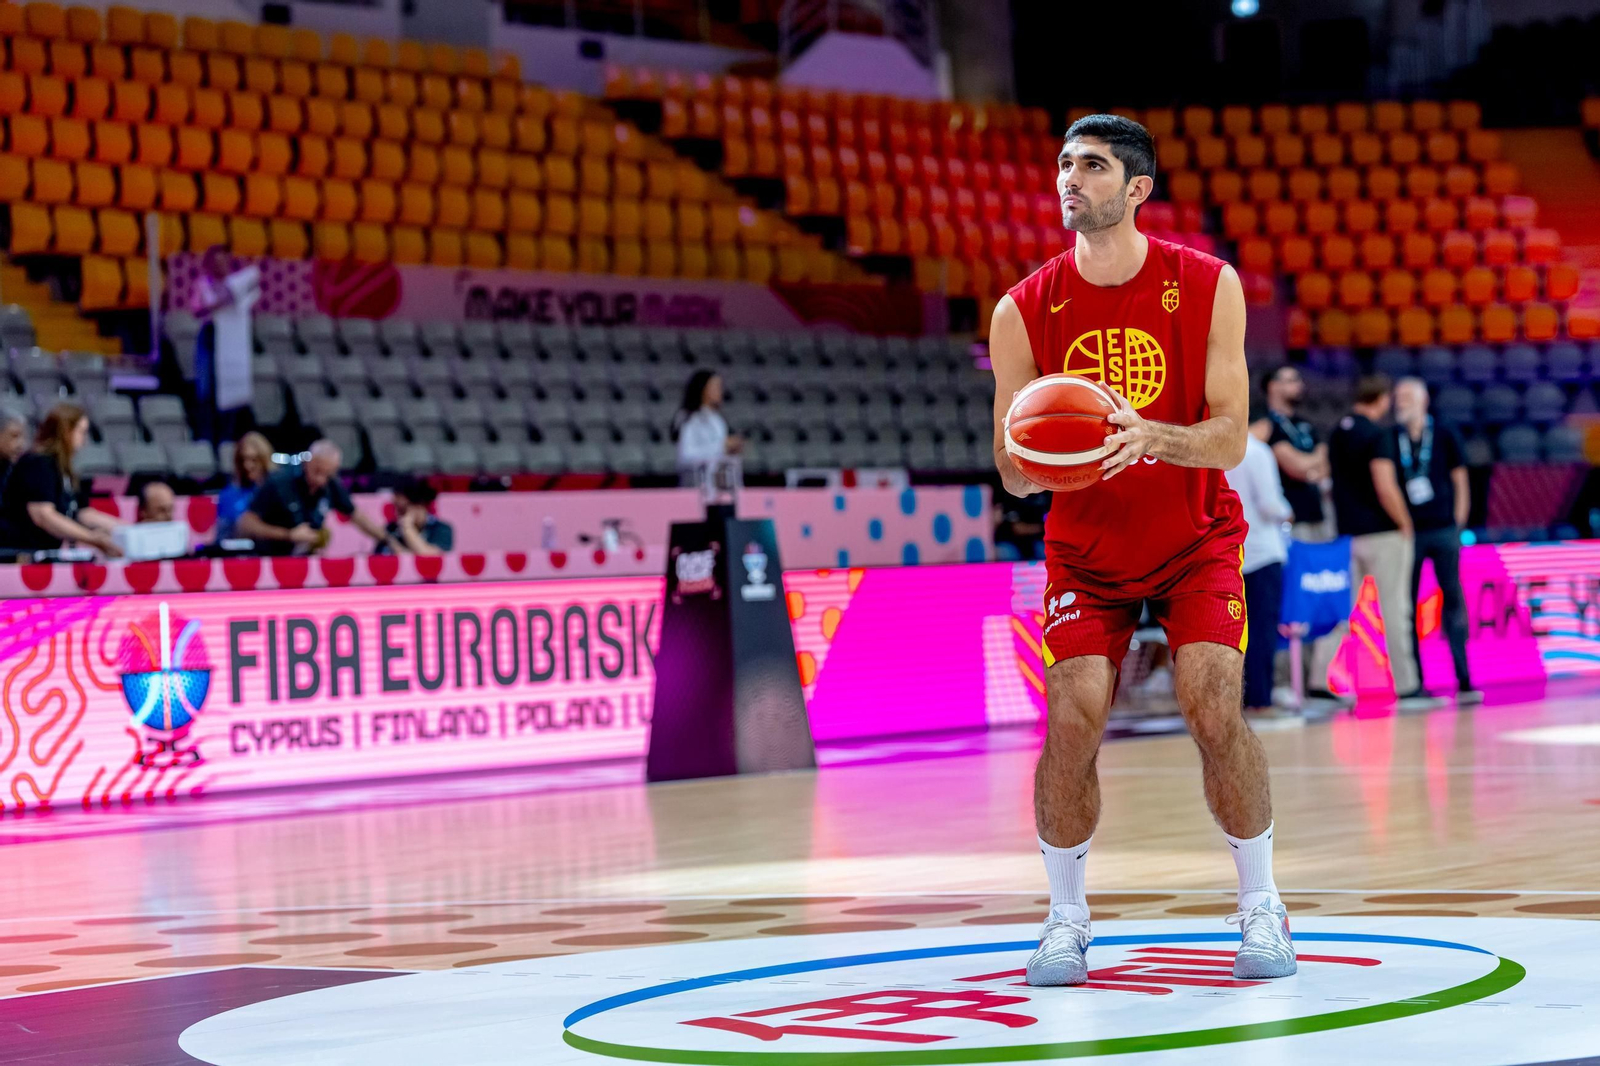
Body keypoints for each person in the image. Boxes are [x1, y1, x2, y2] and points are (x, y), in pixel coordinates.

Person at [990, 114, 1293, 986]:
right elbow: (1009, 471)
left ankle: (1262, 904)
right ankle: (1065, 918)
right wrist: (1050, 457)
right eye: (1063, 164)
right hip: (1086, 553)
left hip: (1195, 538)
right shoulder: (1023, 308)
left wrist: (1147, 436)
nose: (1069, 178)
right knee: (1074, 717)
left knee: (1211, 702)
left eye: (1092, 165)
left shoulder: (1207, 284)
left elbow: (1232, 436)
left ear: (1136, 189)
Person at [1323, 375, 1432, 707]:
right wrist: (1405, 522)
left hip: (1346, 535)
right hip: (1383, 534)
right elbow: (1385, 486)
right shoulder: (1377, 434)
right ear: (1382, 399)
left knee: (1339, 611)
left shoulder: (1336, 433)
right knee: (1395, 610)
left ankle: (1317, 683)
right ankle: (1408, 685)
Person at [1393, 377, 1480, 703]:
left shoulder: (1444, 433)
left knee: (1453, 601)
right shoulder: (1393, 436)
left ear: (1423, 400)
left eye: (1406, 396)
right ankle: (1416, 682)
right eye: (1397, 396)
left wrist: (1457, 525)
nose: (1400, 401)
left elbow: (1461, 480)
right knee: (1408, 606)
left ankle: (1465, 678)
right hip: (1410, 532)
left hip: (1444, 529)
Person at [1227, 414, 1294, 715]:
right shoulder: (1257, 451)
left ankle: (1239, 700)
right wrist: (1288, 512)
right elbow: (1270, 505)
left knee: (1236, 632)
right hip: (1262, 551)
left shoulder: (1223, 451)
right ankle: (1261, 699)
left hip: (1231, 552)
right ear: (1264, 425)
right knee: (1263, 630)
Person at [0, 402, 122, 557]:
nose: (84, 441)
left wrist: (126, 529)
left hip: (44, 553)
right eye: (81, 433)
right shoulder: (38, 463)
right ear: (66, 432)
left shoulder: (63, 468)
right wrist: (92, 538)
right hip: (21, 553)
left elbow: (82, 512)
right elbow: (43, 515)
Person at [235, 440, 388, 555]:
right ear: (307, 462)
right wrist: (288, 535)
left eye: (327, 474)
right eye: (317, 471)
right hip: (270, 558)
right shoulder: (279, 481)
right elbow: (246, 524)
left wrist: (389, 542)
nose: (320, 479)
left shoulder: (331, 484)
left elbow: (357, 516)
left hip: (305, 559)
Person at [191, 245, 260, 443]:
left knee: (232, 393)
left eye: (223, 261)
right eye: (216, 262)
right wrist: (219, 302)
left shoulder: (238, 284)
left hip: (233, 341)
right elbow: (197, 309)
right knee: (207, 391)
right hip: (211, 337)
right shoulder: (203, 284)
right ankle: (206, 439)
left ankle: (227, 439)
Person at [1261, 365, 1329, 541]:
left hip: (1316, 513)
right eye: (1291, 381)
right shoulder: (1266, 425)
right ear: (1273, 386)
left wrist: (1309, 468)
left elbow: (1326, 463)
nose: (1299, 385)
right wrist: (1314, 463)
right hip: (1289, 517)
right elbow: (1295, 467)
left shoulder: (1306, 423)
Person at [672, 369, 742, 486]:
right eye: (715, 387)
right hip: (696, 488)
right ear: (703, 389)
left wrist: (731, 450)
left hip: (719, 488)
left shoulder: (718, 420)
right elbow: (686, 455)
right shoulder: (688, 418)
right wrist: (722, 446)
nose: (720, 391)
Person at [215, 431, 275, 541]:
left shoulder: (278, 492)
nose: (247, 465)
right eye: (243, 460)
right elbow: (222, 536)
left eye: (254, 460)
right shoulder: (228, 495)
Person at [375, 477, 453, 555]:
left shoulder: (441, 529)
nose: (399, 515)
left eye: (403, 510)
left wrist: (407, 527)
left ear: (419, 505)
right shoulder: (391, 529)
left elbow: (429, 556)